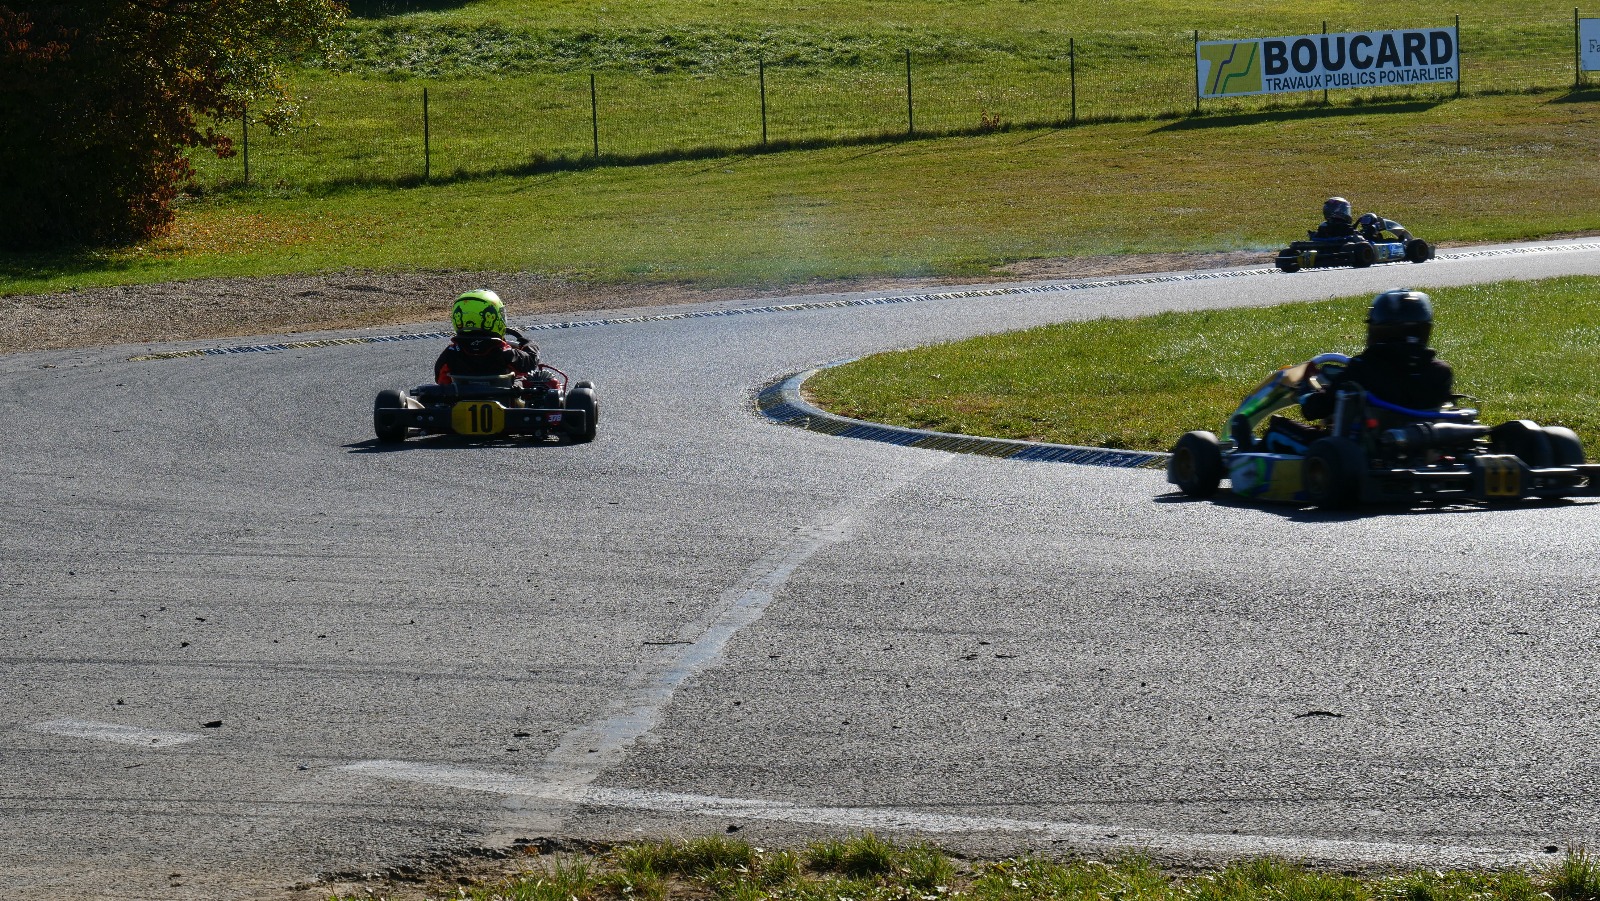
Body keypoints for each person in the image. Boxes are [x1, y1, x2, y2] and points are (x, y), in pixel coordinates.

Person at [1263, 289, 1454, 453]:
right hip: (1421, 450)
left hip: (1364, 453)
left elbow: (1313, 410)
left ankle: (1235, 468)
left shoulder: (1363, 368)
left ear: (1381, 330)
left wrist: (1305, 388)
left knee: (1277, 430)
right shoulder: (1441, 372)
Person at [434, 289, 540, 385]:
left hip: (460, 401)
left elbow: (440, 380)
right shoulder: (502, 350)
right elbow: (530, 363)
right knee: (540, 386)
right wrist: (529, 345)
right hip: (503, 401)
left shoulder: (451, 352)